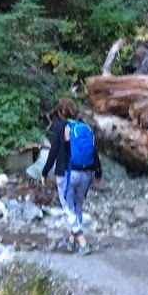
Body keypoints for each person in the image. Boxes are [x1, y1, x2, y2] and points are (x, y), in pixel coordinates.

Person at [41, 97, 102, 254]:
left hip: (67, 173)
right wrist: (98, 171)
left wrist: (45, 171)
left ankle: (82, 242)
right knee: (78, 207)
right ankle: (71, 241)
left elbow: (54, 151)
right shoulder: (83, 126)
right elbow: (94, 150)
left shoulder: (60, 127)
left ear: (61, 112)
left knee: (68, 208)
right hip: (85, 173)